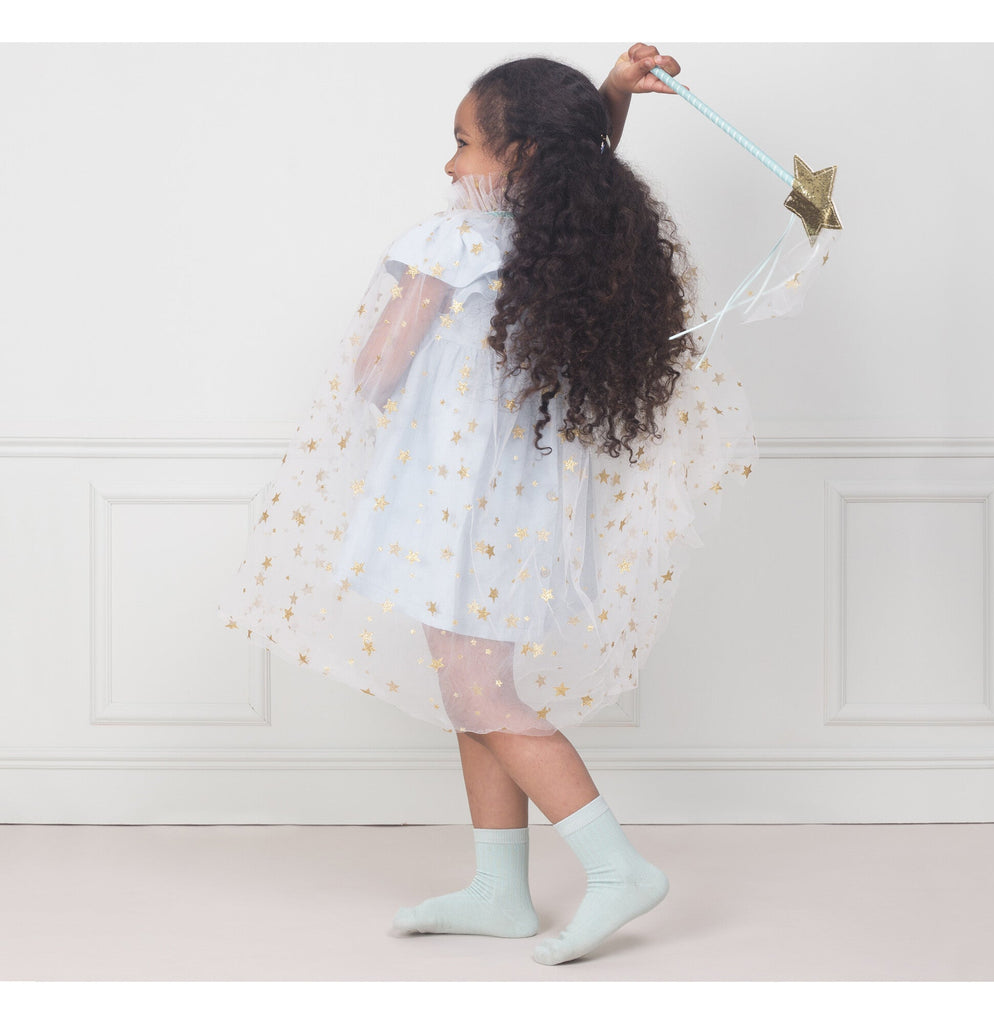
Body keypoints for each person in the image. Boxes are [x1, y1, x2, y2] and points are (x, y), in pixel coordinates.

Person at [218, 42, 758, 966]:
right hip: (513, 514)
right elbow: (582, 155)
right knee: (470, 694)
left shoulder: (456, 243)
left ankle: (617, 866)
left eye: (465, 143)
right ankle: (499, 890)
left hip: (456, 509)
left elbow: (376, 372)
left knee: (482, 693)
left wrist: (404, 318)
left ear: (521, 159)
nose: (449, 164)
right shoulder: (564, 247)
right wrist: (613, 96)